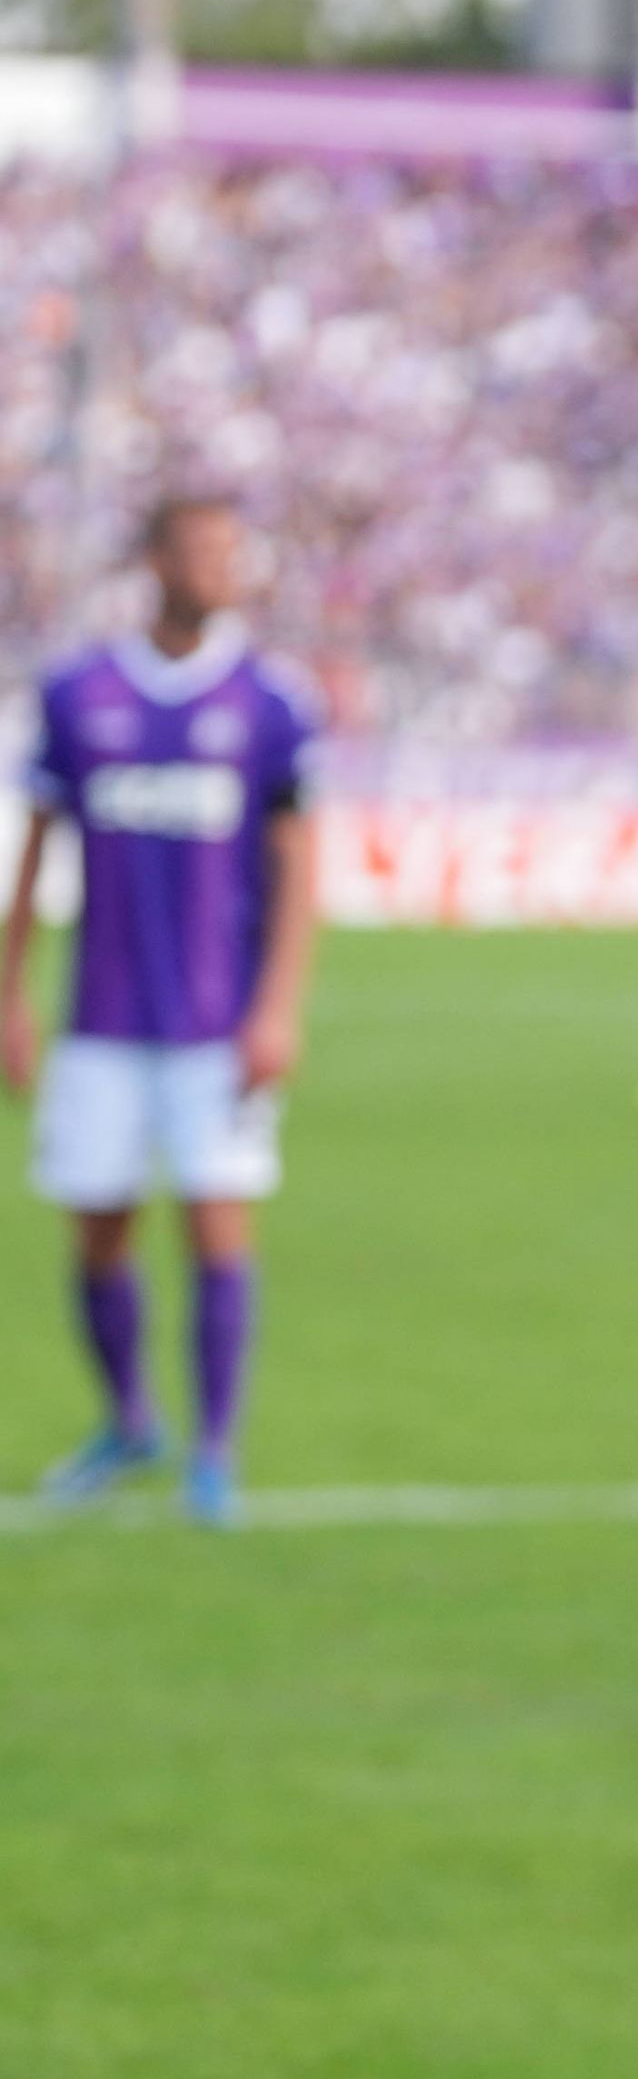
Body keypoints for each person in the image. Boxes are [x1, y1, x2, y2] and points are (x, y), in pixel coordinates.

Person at [2, 496, 322, 1527]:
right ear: (155, 560)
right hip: (101, 1019)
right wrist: (10, 992)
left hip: (217, 1028)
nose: (222, 565)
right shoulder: (77, 691)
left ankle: (214, 1452)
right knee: (98, 1230)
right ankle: (131, 1419)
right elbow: (37, 848)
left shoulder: (269, 701)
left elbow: (299, 867)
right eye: (202, 548)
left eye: (234, 548)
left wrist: (277, 1007)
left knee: (218, 1227)